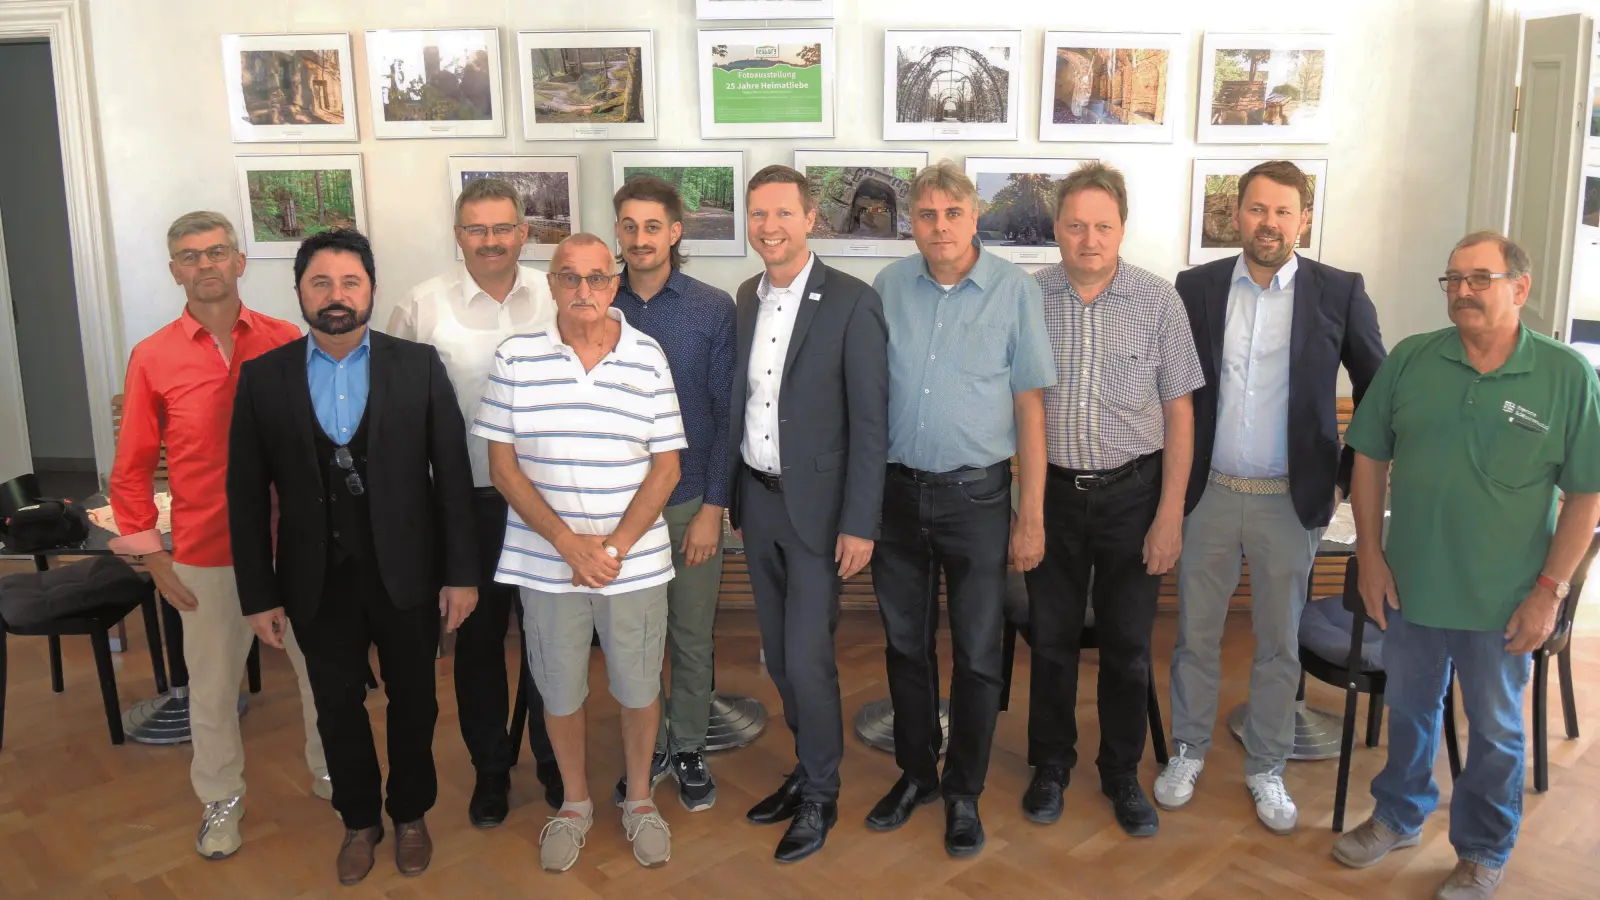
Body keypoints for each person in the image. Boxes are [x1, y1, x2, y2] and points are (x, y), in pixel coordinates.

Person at [1333, 232, 1600, 899]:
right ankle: (1399, 814)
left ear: (1520, 287)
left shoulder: (1567, 376)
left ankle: (1483, 849)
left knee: (1496, 730)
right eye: (1453, 279)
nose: (1463, 291)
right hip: (1411, 585)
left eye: (1480, 278)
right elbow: (1369, 456)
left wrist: (1549, 593)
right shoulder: (1412, 359)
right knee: (1409, 708)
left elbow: (1587, 495)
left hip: (1503, 597)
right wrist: (1370, 556)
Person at [227, 228, 479, 885]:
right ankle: (359, 819)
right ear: (299, 291)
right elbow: (246, 497)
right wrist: (258, 594)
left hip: (408, 575)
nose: (335, 296)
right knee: (336, 707)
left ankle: (411, 813)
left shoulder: (417, 366)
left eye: (349, 282)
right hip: (314, 580)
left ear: (370, 289)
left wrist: (461, 575)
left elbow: (452, 477)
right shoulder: (264, 378)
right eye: (321, 283)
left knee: (415, 702)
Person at [1159, 160, 1386, 833]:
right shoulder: (1195, 287)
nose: (1269, 223)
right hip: (1208, 495)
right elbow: (1171, 388)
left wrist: (1342, 476)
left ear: (1303, 220)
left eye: (1283, 211)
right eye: (1257, 209)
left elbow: (1379, 392)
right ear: (1237, 215)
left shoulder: (1339, 292)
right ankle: (1187, 751)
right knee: (1195, 635)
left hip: (1291, 502)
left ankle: (1266, 766)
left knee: (1278, 642)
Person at [109, 211, 328, 860]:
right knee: (211, 690)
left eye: (215, 252)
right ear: (174, 270)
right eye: (189, 255)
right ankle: (222, 799)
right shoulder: (152, 356)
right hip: (207, 551)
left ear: (238, 261)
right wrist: (154, 559)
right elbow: (131, 468)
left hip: (295, 544)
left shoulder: (286, 339)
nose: (204, 264)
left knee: (324, 671)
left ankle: (332, 771)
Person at [473, 233, 683, 872]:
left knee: (639, 687)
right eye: (569, 277)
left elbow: (667, 468)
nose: (583, 290)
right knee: (558, 691)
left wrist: (611, 549)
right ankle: (574, 803)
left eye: (596, 278)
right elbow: (503, 468)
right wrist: (568, 544)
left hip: (633, 564)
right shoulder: (516, 358)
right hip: (545, 564)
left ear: (614, 283)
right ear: (552, 284)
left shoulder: (649, 356)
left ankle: (640, 799)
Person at [868, 160, 1054, 857]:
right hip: (896, 497)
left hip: (977, 499)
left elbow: (1030, 408)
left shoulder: (1014, 291)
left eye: (952, 213)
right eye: (927, 215)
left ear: (974, 217)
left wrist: (1030, 515)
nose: (940, 227)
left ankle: (964, 790)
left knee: (978, 655)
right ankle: (917, 774)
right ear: (911, 224)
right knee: (904, 645)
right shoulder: (888, 287)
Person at [1022, 163, 1205, 836]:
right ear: (1056, 229)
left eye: (1102, 226)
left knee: (1128, 645)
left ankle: (1121, 772)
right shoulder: (1028, 298)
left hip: (1135, 496)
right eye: (1076, 225)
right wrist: (1027, 511)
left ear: (1122, 229)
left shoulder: (1159, 301)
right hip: (1054, 496)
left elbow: (1180, 414)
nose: (1089, 239)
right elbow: (1021, 406)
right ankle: (1050, 764)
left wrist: (1170, 516)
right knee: (1051, 641)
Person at [387, 177, 562, 827]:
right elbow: (397, 413)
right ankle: (491, 768)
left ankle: (553, 757)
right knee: (479, 642)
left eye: (502, 228)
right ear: (458, 235)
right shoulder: (421, 306)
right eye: (476, 229)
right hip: (467, 504)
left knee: (551, 638)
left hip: (549, 503)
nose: (491, 241)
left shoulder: (557, 293)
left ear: (524, 232)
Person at [728, 165, 888, 863]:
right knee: (779, 656)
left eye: (783, 213)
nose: (770, 227)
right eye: (759, 214)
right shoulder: (745, 297)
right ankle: (807, 765)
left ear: (810, 219)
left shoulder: (852, 300)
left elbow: (871, 423)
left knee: (808, 657)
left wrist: (861, 521)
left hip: (821, 516)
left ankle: (822, 792)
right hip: (758, 503)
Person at [607, 175, 737, 811]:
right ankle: (646, 746)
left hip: (688, 505)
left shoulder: (712, 308)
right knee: (634, 640)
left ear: (675, 233)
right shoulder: (597, 302)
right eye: (629, 226)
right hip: (617, 509)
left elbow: (725, 416)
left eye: (652, 226)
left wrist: (714, 507)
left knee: (689, 634)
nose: (640, 238)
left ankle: (687, 745)